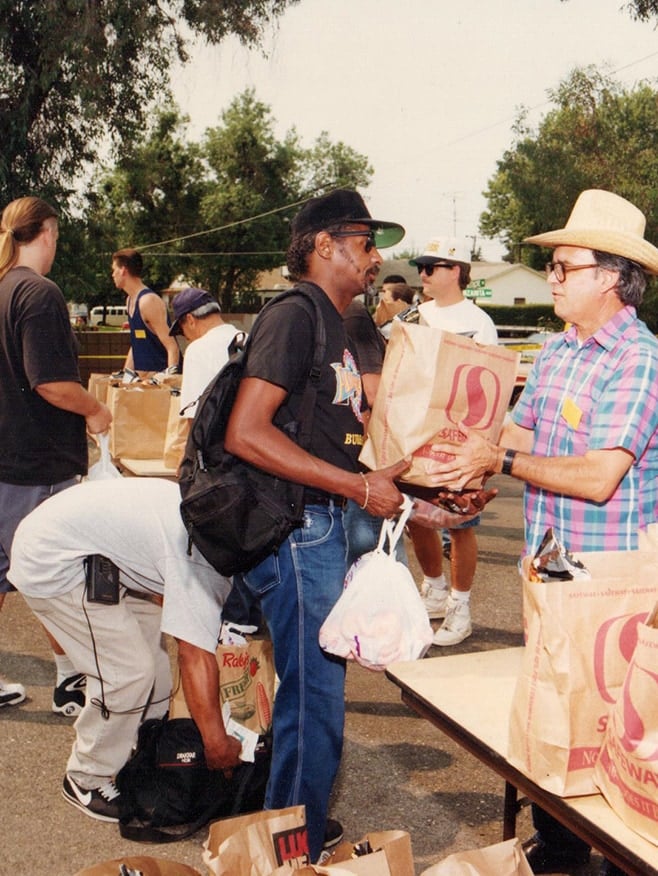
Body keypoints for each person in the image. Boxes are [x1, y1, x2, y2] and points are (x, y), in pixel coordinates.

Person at [428, 189, 658, 876]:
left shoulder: (638, 359)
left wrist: (498, 462)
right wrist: (467, 461)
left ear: (610, 277)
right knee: (552, 699)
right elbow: (523, 435)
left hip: (612, 576)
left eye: (564, 266)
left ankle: (619, 853)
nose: (551, 278)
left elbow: (599, 476)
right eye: (553, 266)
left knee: (615, 719)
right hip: (553, 560)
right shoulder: (560, 350)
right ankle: (560, 844)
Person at [8, 477, 242, 822]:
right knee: (127, 673)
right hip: (52, 560)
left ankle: (142, 748)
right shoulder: (203, 560)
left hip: (97, 553)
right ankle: (86, 777)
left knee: (157, 671)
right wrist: (216, 744)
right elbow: (193, 654)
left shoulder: (213, 517)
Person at [0, 196, 112, 713]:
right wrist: (95, 409)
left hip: (8, 459)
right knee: (55, 576)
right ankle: (71, 680)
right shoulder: (38, 293)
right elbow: (49, 382)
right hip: (35, 463)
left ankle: (71, 675)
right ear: (46, 233)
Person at [407, 236, 498, 646]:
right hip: (415, 435)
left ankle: (460, 607)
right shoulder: (413, 315)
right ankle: (435, 589)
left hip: (460, 440)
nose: (422, 274)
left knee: (460, 523)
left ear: (456, 271)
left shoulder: (479, 321)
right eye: (420, 267)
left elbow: (490, 388)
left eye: (431, 267)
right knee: (417, 519)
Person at [111, 248, 180, 373]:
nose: (112, 275)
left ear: (123, 270)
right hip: (144, 379)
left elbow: (172, 347)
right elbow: (136, 344)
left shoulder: (148, 301)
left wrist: (170, 381)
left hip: (159, 377)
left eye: (114, 270)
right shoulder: (130, 300)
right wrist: (126, 375)